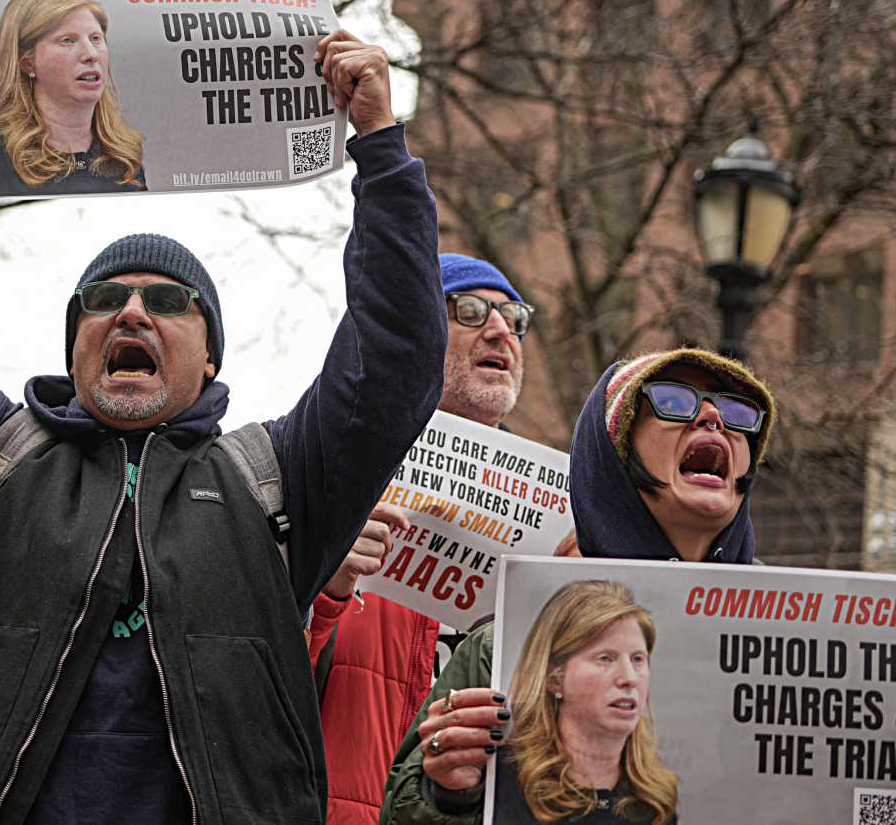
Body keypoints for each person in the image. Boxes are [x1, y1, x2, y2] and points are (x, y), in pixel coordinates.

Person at [0, 0, 445, 824]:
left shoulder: (278, 484)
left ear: (209, 355)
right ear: (77, 347)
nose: (134, 313)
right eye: (105, 298)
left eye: (169, 302)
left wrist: (380, 148)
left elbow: (395, 361)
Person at [380, 347, 776, 824]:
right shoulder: (507, 645)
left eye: (738, 413)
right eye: (674, 401)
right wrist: (447, 792)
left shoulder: (800, 638)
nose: (713, 418)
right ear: (615, 458)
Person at [306, 254, 532, 825]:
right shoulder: (329, 478)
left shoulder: (555, 523)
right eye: (472, 310)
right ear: (418, 329)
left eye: (513, 316)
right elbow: (247, 685)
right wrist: (324, 587)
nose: (501, 329)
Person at [493, 580, 677, 825]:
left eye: (637, 659)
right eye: (605, 658)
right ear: (554, 678)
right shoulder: (500, 781)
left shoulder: (655, 801)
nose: (629, 678)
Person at [0, 0, 147, 196]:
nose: (91, 54)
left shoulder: (123, 157)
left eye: (95, 39)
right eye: (67, 40)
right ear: (27, 62)